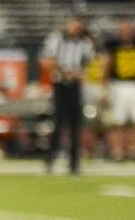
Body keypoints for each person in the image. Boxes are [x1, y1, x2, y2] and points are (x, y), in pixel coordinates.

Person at [39, 16, 96, 174]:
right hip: (60, 85)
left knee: (75, 125)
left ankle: (74, 163)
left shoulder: (85, 43)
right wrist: (65, 72)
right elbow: (48, 60)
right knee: (57, 123)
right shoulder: (56, 39)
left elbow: (88, 64)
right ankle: (51, 159)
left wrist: (77, 74)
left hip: (75, 86)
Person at [99, 18, 135, 161]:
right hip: (118, 85)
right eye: (123, 29)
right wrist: (103, 88)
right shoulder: (112, 45)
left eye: (129, 29)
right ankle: (117, 151)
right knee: (117, 121)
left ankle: (134, 150)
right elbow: (106, 66)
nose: (126, 32)